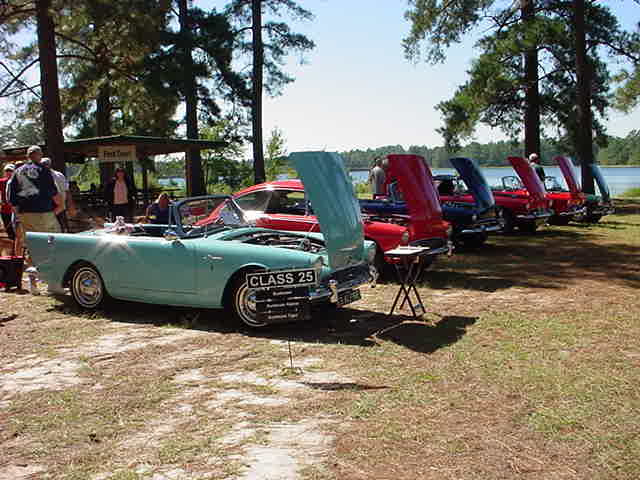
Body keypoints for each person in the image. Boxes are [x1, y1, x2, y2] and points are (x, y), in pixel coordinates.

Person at [7, 145, 62, 242]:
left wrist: (19, 215)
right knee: (53, 242)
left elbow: (13, 199)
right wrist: (60, 206)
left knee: (33, 244)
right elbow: (53, 192)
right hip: (43, 213)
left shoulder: (17, 172)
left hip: (25, 214)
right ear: (40, 155)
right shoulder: (44, 170)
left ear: (28, 156)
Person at [41, 157, 77, 233]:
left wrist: (70, 205)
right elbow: (67, 191)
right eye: (44, 165)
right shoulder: (58, 175)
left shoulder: (58, 175)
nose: (45, 166)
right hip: (56, 208)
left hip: (56, 208)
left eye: (45, 164)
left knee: (60, 229)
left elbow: (67, 191)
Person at [1, 163, 16, 241]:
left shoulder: (18, 181)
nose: (8, 172)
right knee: (9, 232)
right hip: (5, 210)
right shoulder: (1, 182)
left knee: (17, 232)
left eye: (10, 170)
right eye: (7, 170)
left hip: (16, 211)